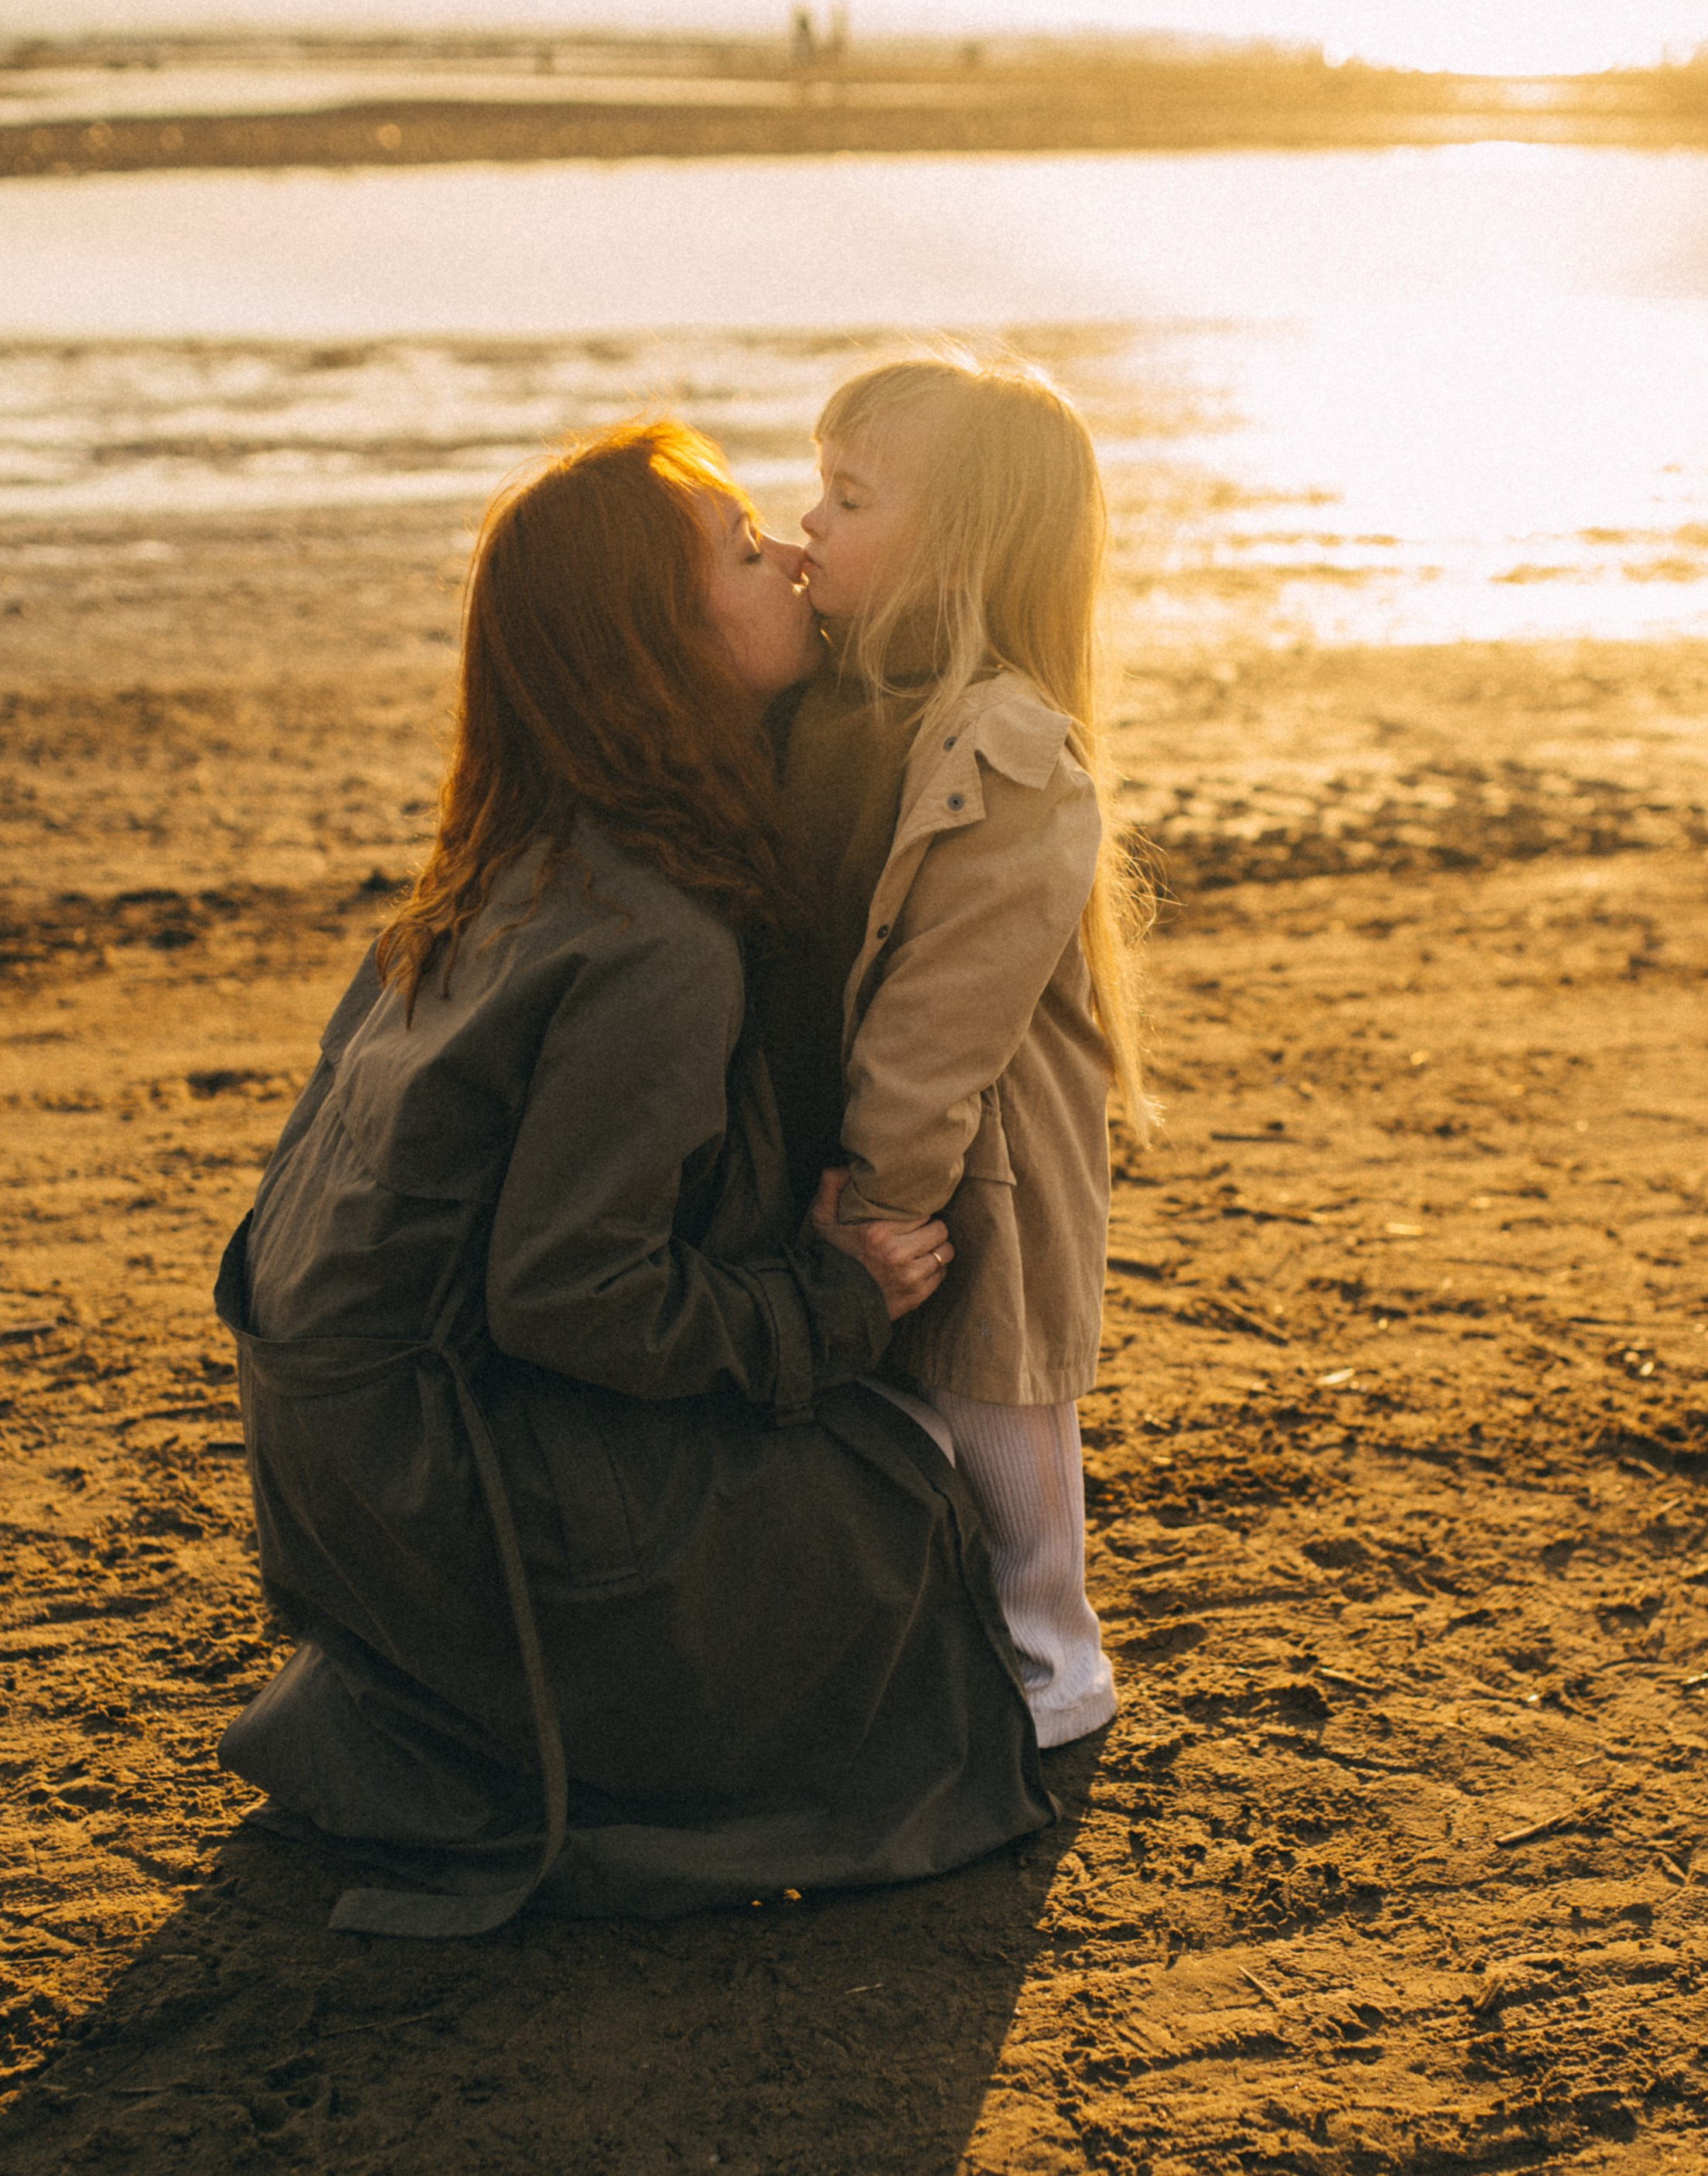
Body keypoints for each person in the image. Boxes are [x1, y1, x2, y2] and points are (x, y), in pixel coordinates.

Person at [214, 417, 1053, 1937]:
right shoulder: (656, 934)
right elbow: (565, 1294)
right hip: (434, 1495)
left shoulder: (513, 851)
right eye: (742, 551)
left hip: (335, 1486)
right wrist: (829, 1303)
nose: (791, 551)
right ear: (656, 645)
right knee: (888, 1510)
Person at [764, 351, 1150, 1752]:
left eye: (850, 496)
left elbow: (943, 1019)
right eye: (820, 486)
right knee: (896, 1419)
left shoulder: (1008, 750)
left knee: (999, 1413)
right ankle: (937, 1649)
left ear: (964, 548)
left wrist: (876, 1196)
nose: (808, 522)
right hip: (859, 1148)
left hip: (969, 1164)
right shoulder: (838, 705)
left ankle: (1053, 1672)